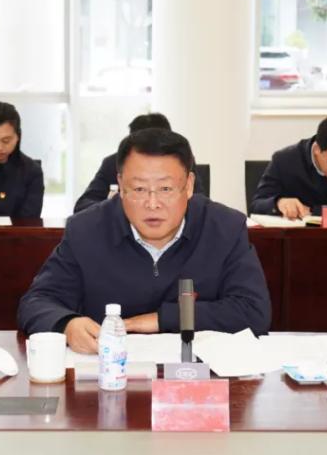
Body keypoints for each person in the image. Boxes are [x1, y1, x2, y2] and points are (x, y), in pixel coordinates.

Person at [19, 128, 271, 353]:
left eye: (165, 189)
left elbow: (254, 311)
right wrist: (67, 324)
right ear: (120, 185)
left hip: (196, 377)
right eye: (139, 189)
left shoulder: (225, 228)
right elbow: (37, 302)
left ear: (189, 185)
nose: (152, 204)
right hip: (108, 374)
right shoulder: (86, 230)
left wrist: (161, 319)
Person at [250, 113, 327, 219]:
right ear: (317, 149)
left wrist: (314, 210)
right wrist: (279, 203)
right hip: (297, 239)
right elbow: (256, 205)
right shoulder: (284, 160)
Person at [73, 113, 206, 213]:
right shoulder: (112, 163)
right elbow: (82, 206)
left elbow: (200, 204)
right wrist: (118, 204)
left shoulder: (181, 160)